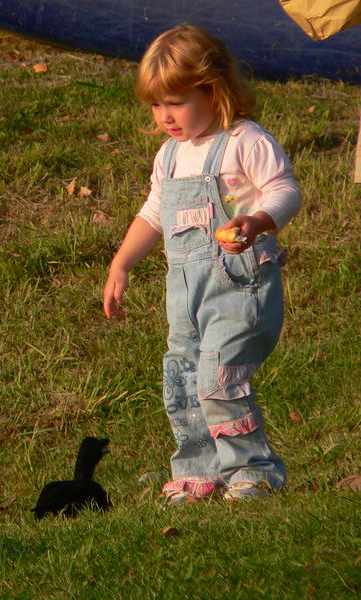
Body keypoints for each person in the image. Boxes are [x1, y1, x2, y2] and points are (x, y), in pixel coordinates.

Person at [102, 24, 301, 504]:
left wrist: (255, 222)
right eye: (155, 104)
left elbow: (285, 190)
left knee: (219, 379)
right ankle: (197, 470)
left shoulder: (243, 140)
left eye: (177, 101)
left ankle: (253, 469)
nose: (165, 116)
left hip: (240, 288)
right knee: (184, 379)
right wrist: (122, 263)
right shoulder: (169, 156)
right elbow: (154, 213)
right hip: (185, 294)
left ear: (214, 91)